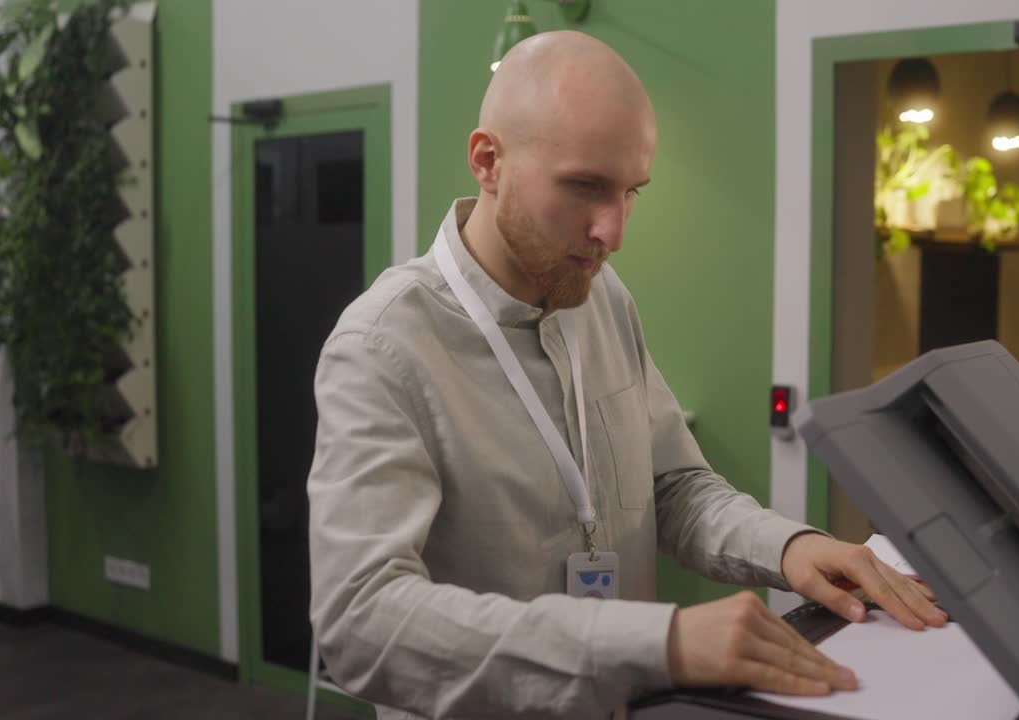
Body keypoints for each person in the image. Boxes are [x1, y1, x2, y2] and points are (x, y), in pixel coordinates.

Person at [307, 31, 945, 720]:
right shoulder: (383, 346)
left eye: (631, 191)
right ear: (488, 161)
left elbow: (673, 488)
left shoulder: (602, 298)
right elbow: (361, 622)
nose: (613, 232)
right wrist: (657, 640)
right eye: (585, 187)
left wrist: (789, 547)